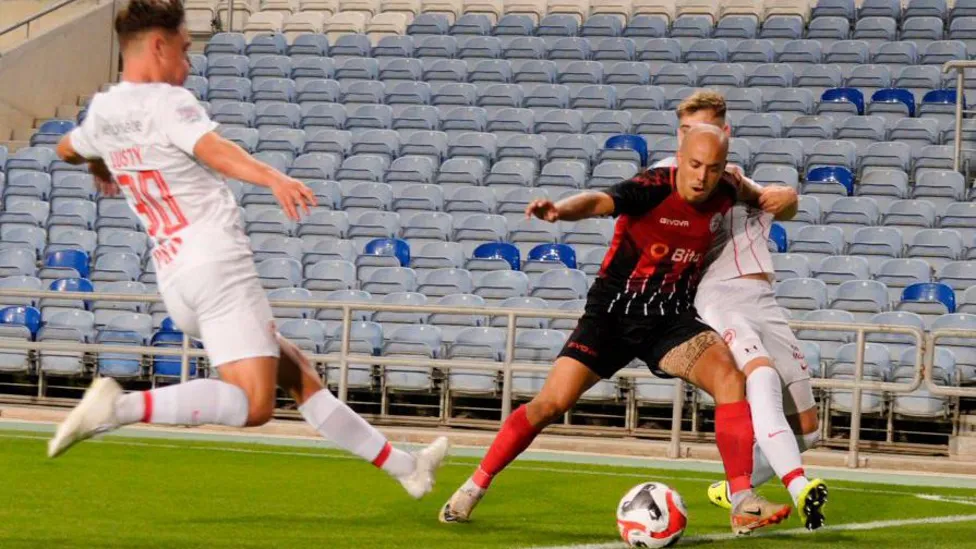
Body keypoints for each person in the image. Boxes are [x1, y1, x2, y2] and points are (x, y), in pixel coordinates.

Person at [47, 0, 448, 500]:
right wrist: (272, 176)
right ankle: (119, 409)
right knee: (255, 404)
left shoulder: (105, 111)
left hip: (175, 277)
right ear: (158, 45)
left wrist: (100, 164)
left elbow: (67, 147)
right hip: (216, 264)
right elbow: (213, 149)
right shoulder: (167, 102)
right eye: (185, 50)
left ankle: (405, 467)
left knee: (296, 372)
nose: (188, 64)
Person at [439, 125, 794, 535]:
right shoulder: (651, 188)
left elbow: (761, 195)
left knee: (730, 377)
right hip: (611, 316)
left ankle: (742, 501)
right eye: (694, 165)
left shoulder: (728, 187)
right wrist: (559, 211)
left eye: (712, 169)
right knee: (549, 405)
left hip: (668, 320)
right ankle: (473, 486)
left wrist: (786, 194)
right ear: (680, 158)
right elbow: (597, 201)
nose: (702, 177)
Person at [652, 90, 827, 530]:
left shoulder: (736, 180)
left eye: (708, 129)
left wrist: (787, 197)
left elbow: (782, 204)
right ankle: (791, 485)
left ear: (725, 132)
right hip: (719, 295)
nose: (700, 139)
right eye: (689, 132)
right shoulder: (674, 177)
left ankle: (735, 488)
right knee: (760, 376)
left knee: (808, 428)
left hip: (764, 300)